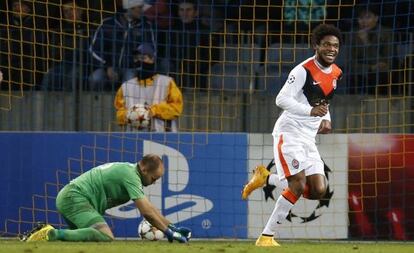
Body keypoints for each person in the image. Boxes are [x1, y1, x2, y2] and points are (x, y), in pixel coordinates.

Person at [241, 24, 343, 247]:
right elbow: (281, 99)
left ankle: (265, 178)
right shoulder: (302, 71)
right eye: (326, 44)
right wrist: (309, 111)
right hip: (289, 133)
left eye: (335, 45)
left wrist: (327, 119)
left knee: (318, 190)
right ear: (316, 45)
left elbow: (324, 99)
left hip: (309, 137)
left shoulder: (336, 72)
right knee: (297, 185)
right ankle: (266, 237)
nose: (331, 49)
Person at [22, 154, 191, 243]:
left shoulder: (131, 172)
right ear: (145, 170)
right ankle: (50, 233)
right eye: (154, 179)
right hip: (75, 198)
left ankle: (43, 234)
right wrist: (169, 233)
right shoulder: (131, 176)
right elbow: (147, 212)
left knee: (85, 239)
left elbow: (151, 209)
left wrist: (173, 227)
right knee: (106, 235)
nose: (154, 183)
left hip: (72, 197)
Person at [88, 0, 156, 91]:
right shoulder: (108, 24)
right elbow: (94, 49)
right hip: (107, 67)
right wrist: (107, 66)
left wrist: (135, 62)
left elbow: (151, 52)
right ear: (130, 8)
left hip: (131, 68)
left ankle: (124, 104)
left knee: (130, 80)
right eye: (140, 7)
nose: (142, 10)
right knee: (95, 79)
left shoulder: (145, 26)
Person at [114, 43, 183, 132]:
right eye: (136, 59)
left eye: (143, 58)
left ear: (152, 59)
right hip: (134, 139)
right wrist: (132, 115)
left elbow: (176, 108)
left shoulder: (167, 82)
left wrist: (152, 111)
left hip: (163, 138)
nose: (139, 62)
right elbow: (119, 113)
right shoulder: (126, 86)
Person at [41, 0, 88, 91]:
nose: (68, 13)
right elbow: (54, 53)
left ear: (81, 10)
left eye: (71, 9)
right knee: (49, 75)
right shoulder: (60, 30)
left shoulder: (88, 29)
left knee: (73, 76)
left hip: (83, 65)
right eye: (65, 11)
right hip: (64, 64)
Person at [348, 5, 393, 95]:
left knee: (380, 74)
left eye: (368, 17)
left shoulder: (386, 33)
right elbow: (350, 62)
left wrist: (367, 43)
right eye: (361, 18)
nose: (364, 21)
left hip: (381, 74)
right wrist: (370, 68)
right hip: (361, 72)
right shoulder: (353, 34)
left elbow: (386, 62)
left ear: (376, 18)